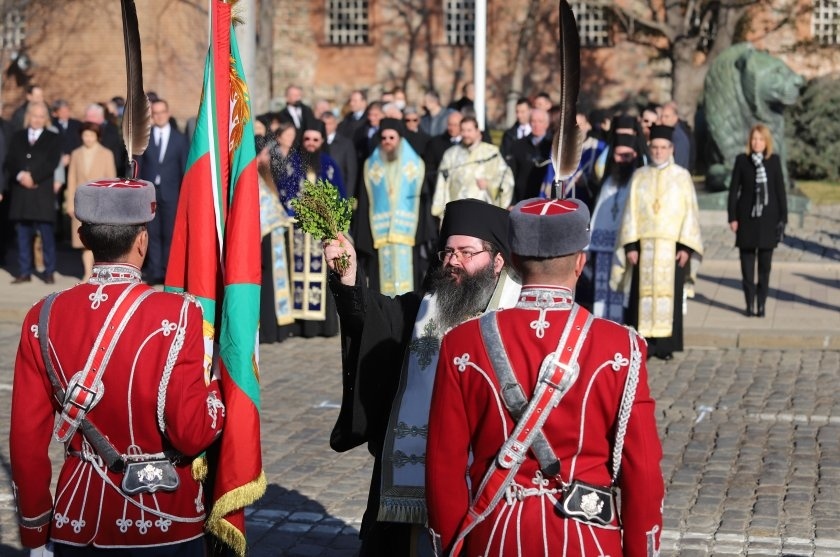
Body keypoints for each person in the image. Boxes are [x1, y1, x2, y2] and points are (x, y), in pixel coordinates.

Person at [426, 197, 664, 557]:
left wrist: (450, 547)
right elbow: (642, 472)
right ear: (580, 262)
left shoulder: (463, 344)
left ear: (515, 263)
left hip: (495, 536)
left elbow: (444, 468)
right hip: (588, 541)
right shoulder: (621, 348)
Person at [10, 177, 224, 554]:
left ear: (82, 237)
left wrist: (34, 531)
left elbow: (27, 442)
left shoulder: (40, 316)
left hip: (76, 520)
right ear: (143, 239)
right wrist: (218, 387)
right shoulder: (180, 312)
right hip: (163, 520)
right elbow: (192, 433)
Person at [323, 198, 521, 557]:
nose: (453, 262)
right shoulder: (421, 309)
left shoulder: (517, 319)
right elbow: (375, 320)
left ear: (497, 261)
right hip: (422, 474)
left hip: (485, 478)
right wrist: (349, 279)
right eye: (447, 252)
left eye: (466, 252)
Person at [610, 125, 704, 361]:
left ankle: (665, 346)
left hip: (672, 249)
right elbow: (629, 213)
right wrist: (630, 246)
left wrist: (686, 247)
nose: (659, 152)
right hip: (644, 248)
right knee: (640, 297)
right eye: (655, 147)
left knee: (668, 297)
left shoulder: (682, 177)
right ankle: (643, 344)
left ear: (671, 149)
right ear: (650, 148)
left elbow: (691, 214)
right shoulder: (640, 175)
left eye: (664, 148)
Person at [277, 119, 346, 338]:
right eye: (307, 139)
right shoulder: (291, 163)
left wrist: (336, 224)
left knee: (323, 276)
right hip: (296, 231)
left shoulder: (329, 164)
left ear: (322, 141)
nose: (311, 143)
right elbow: (282, 194)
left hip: (322, 232)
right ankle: (299, 325)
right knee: (296, 275)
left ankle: (322, 327)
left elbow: (340, 196)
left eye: (315, 140)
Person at [355, 118, 427, 295]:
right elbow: (365, 202)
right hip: (380, 236)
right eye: (384, 138)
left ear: (400, 139)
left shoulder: (415, 165)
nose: (387, 141)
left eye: (391, 137)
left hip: (408, 236)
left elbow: (422, 202)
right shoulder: (371, 165)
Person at [727, 123, 788, 317]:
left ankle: (762, 303)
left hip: (768, 220)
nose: (757, 143)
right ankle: (749, 303)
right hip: (747, 219)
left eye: (761, 139)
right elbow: (733, 191)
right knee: (747, 267)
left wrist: (783, 218)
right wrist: (732, 217)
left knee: (765, 267)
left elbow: (780, 191)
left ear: (766, 141)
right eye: (754, 139)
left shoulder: (774, 161)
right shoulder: (742, 161)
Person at [4, 101, 62, 284]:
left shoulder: (53, 138)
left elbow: (52, 163)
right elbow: (10, 161)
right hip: (22, 193)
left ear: (46, 119)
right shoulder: (18, 136)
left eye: (41, 116)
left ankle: (49, 270)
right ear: (29, 116)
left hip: (41, 192)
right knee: (22, 234)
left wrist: (34, 177)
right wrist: (21, 175)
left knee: (46, 234)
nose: (37, 119)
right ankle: (24, 271)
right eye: (34, 116)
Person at [588, 133, 640, 321]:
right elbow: (598, 215)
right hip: (603, 247)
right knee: (601, 293)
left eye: (626, 156)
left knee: (621, 290)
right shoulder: (609, 181)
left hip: (624, 246)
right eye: (618, 155)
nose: (622, 160)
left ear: (634, 155)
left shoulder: (638, 180)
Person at [137, 99, 189, 284]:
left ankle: (169, 271)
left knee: (169, 233)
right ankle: (155, 271)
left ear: (168, 113)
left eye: (161, 112)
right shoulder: (145, 138)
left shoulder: (180, 139)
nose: (158, 116)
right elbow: (139, 167)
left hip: (171, 193)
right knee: (152, 233)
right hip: (150, 193)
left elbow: (184, 169)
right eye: (155, 113)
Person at [65, 121, 117, 281]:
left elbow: (111, 179)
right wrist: (69, 204)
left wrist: (111, 204)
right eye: (85, 135)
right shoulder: (76, 153)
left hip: (101, 203)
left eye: (91, 135)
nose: (87, 138)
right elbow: (71, 179)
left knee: (100, 240)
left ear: (97, 136)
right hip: (82, 203)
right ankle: (88, 272)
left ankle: (101, 272)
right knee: (84, 241)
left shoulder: (106, 154)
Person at [432, 116, 513, 217]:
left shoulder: (491, 153)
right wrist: (441, 210)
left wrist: (489, 184)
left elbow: (506, 179)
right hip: (457, 212)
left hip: (483, 212)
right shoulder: (451, 154)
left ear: (477, 131)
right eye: (463, 130)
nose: (466, 134)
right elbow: (441, 182)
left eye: (469, 130)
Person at [509, 107, 552, 203]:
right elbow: (511, 175)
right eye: (533, 121)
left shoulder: (552, 147)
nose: (536, 125)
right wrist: (512, 202)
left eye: (540, 121)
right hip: (521, 199)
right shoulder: (518, 145)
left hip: (543, 200)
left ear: (547, 124)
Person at [500, 97, 531, 163]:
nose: (519, 115)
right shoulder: (508, 134)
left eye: (522, 112)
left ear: (530, 111)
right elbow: (504, 155)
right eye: (517, 112)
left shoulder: (536, 132)